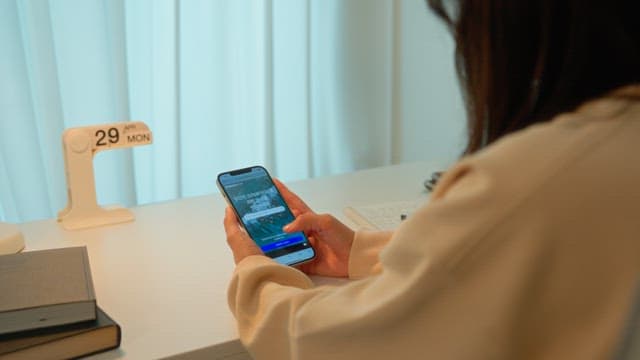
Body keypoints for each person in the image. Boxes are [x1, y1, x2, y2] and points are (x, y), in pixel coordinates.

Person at [223, 1, 640, 359]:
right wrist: (360, 253)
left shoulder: (528, 176)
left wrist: (257, 274)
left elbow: (345, 344)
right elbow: (496, 253)